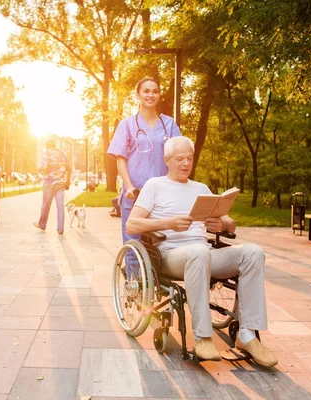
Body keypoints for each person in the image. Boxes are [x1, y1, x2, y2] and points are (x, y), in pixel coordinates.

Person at [126, 136, 277, 368]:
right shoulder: (155, 186)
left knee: (253, 252)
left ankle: (247, 335)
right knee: (199, 251)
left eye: (189, 158)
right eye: (180, 159)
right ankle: (203, 337)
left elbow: (230, 222)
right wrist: (168, 223)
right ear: (167, 160)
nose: (186, 163)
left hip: (204, 253)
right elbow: (132, 225)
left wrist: (223, 225)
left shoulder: (201, 188)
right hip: (170, 256)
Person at [107, 77, 181, 244]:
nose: (151, 95)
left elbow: (179, 155)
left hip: (163, 193)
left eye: (155, 91)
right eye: (146, 91)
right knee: (133, 241)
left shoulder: (169, 124)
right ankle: (133, 271)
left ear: (159, 95)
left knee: (162, 242)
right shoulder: (127, 124)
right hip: (135, 192)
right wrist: (129, 186)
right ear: (137, 95)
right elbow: (120, 158)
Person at [34, 138, 72, 234]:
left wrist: (39, 172)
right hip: (61, 183)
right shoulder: (63, 154)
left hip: (49, 183)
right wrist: (67, 180)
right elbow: (69, 168)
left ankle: (42, 225)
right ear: (54, 145)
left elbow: (43, 167)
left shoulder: (47, 153)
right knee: (60, 206)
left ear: (47, 146)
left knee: (46, 205)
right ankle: (60, 229)